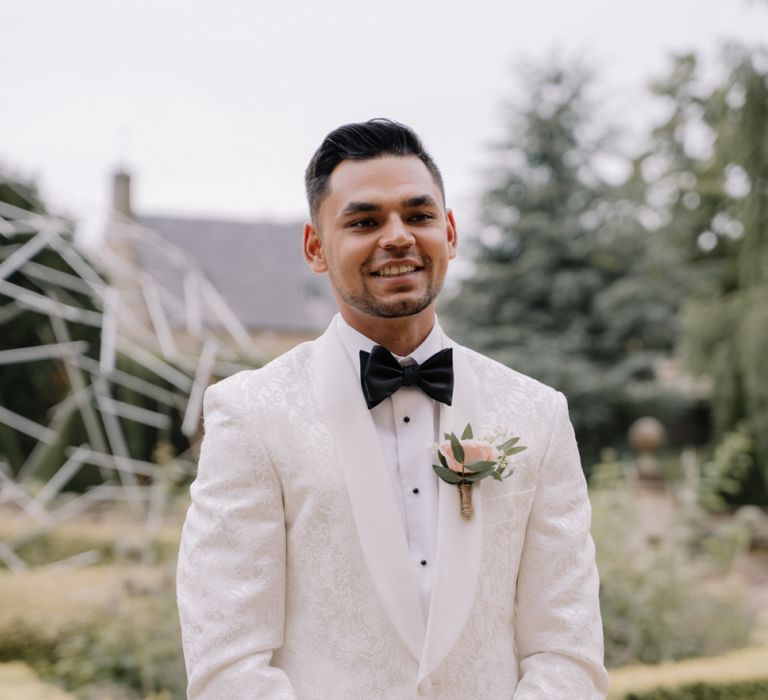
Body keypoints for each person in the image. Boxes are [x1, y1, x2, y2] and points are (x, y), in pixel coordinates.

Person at [176, 118, 609, 699]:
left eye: (419, 215)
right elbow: (227, 663)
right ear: (315, 247)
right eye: (364, 221)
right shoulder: (250, 414)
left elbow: (566, 647)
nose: (398, 236)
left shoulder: (539, 414)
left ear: (450, 233)